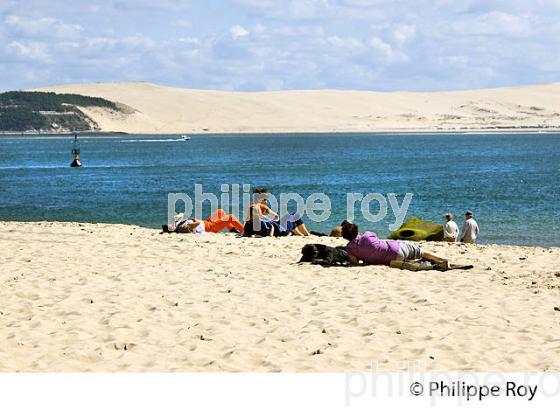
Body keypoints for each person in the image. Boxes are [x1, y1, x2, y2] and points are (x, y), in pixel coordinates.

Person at [341, 222, 449, 269]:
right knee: (420, 252)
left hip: (391, 260)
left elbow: (354, 262)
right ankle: (443, 259)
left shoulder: (350, 248)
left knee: (415, 254)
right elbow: (377, 241)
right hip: (396, 248)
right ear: (356, 230)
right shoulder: (367, 235)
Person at [164, 209, 244, 234]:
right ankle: (244, 230)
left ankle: (232, 229)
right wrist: (195, 220)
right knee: (230, 217)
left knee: (221, 212)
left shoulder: (178, 224)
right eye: (170, 226)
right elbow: (196, 224)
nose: (170, 224)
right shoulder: (181, 227)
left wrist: (178, 219)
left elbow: (181, 214)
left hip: (206, 223)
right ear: (172, 229)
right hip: (209, 227)